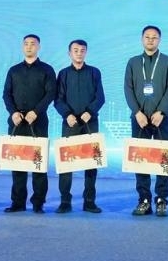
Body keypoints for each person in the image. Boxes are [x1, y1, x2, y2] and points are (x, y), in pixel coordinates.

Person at [123, 25, 168, 217]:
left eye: (154, 37)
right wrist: (137, 112)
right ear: (142, 39)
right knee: (141, 160)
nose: (150, 40)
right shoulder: (133, 62)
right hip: (139, 119)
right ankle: (144, 200)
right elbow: (128, 88)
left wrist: (161, 111)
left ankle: (162, 199)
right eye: (147, 37)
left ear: (159, 40)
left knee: (163, 158)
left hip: (163, 118)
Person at [1, 34, 57, 213]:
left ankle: (38, 202)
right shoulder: (13, 70)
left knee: (38, 164)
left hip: (38, 121)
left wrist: (36, 112)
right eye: (26, 44)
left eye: (33, 44)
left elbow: (51, 93)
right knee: (17, 164)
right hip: (17, 122)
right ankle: (18, 202)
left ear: (38, 47)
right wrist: (13, 112)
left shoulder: (47, 69)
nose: (29, 46)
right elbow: (6, 94)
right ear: (22, 47)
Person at [53, 39, 106, 214]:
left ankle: (89, 201)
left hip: (90, 122)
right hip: (70, 123)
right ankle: (65, 201)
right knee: (66, 164)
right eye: (75, 50)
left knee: (91, 163)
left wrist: (90, 111)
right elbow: (58, 99)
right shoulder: (63, 74)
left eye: (82, 50)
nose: (79, 53)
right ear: (69, 53)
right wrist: (67, 114)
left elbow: (100, 97)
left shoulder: (94, 72)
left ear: (86, 52)